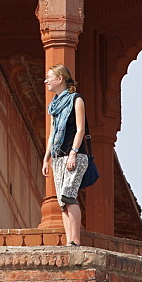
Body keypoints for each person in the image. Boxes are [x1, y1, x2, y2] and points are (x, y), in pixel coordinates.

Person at [41, 65, 88, 246]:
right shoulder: (54, 106)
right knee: (62, 201)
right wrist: (47, 158)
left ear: (60, 78)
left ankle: (75, 240)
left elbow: (80, 129)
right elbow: (52, 134)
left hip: (75, 155)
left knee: (69, 195)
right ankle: (69, 241)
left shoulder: (76, 100)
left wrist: (73, 153)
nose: (46, 81)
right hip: (58, 157)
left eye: (49, 77)